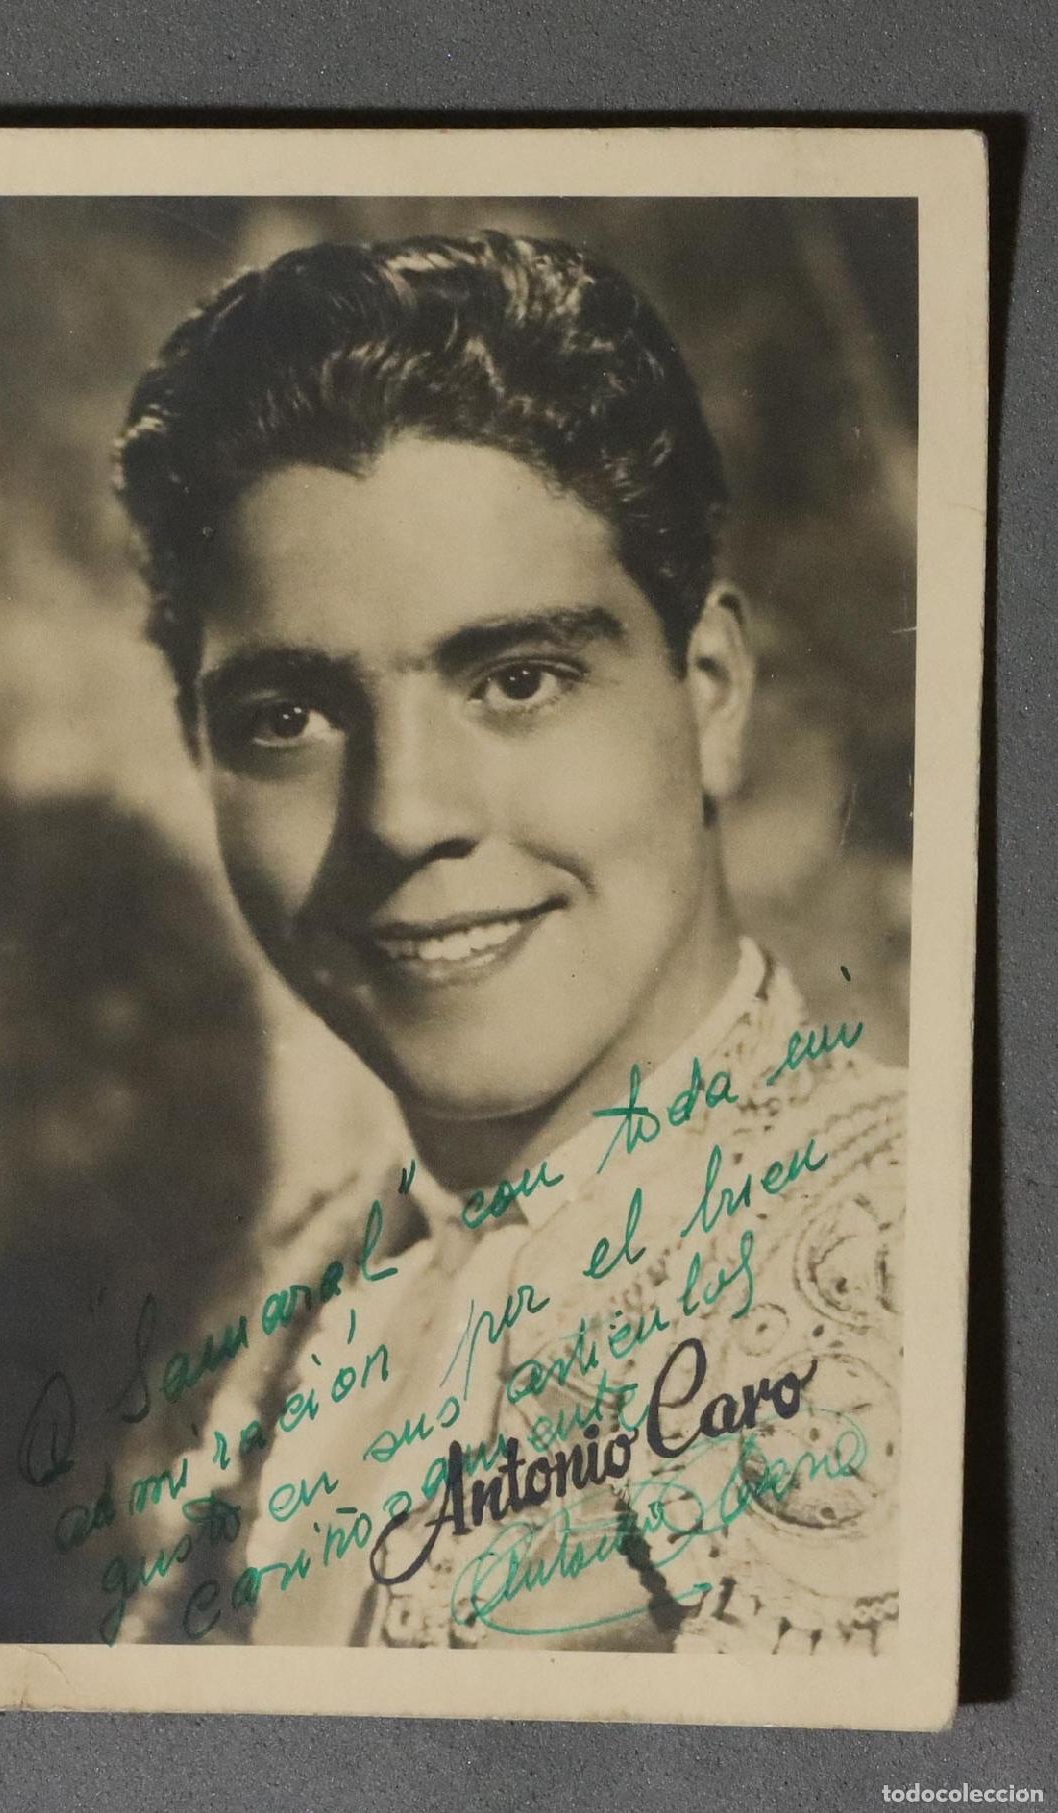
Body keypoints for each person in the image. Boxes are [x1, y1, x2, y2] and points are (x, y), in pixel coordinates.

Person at [114, 230, 905, 1653]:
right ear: (198, 754)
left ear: (712, 694)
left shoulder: (942, 1261)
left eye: (519, 679)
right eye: (287, 717)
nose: (404, 815)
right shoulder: (260, 1325)